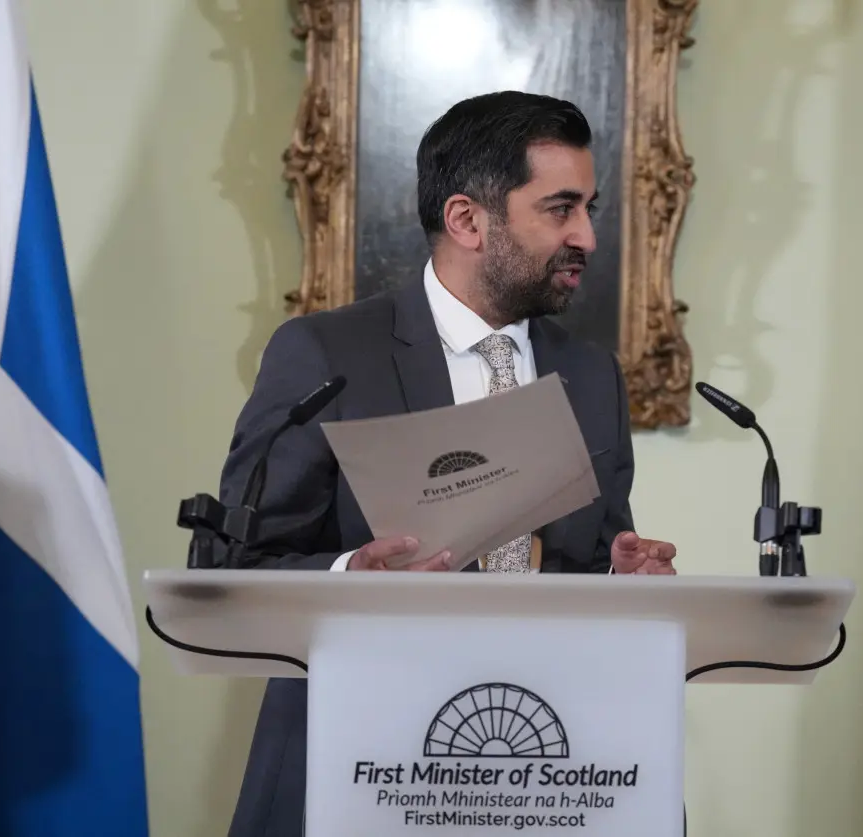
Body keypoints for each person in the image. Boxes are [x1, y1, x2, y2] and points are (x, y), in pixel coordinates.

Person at [218, 90, 677, 837]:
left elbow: (586, 561)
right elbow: (235, 565)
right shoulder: (328, 355)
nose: (588, 237)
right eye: (561, 209)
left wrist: (622, 579)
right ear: (468, 220)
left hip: (545, 775)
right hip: (358, 767)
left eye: (590, 209)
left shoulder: (592, 375)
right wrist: (348, 581)